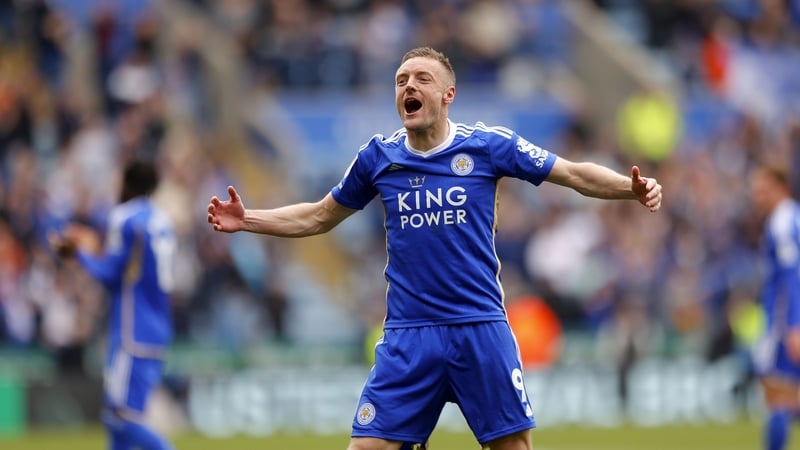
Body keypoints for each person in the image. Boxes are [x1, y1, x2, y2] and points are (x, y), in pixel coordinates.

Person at [207, 47, 663, 450]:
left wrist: (630, 188)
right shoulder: (378, 158)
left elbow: (573, 173)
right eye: (401, 80)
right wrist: (248, 220)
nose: (409, 86)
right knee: (367, 446)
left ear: (448, 95)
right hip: (409, 334)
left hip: (478, 325)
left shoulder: (488, 146)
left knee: (513, 446)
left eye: (422, 78)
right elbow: (318, 215)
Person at [52, 158, 177, 450]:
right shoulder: (162, 221)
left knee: (118, 418)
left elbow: (110, 274)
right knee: (124, 417)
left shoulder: (124, 217)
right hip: (158, 329)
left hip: (132, 329)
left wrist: (78, 253)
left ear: (127, 184)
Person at [749, 162, 800, 450]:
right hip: (787, 319)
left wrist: (794, 325)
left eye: (763, 189)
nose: (757, 196)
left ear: (781, 187)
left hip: (785, 323)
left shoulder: (782, 222)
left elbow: (792, 276)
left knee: (778, 397)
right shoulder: (793, 218)